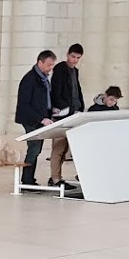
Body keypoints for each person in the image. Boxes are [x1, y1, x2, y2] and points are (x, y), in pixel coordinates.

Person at [16, 50, 57, 186]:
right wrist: (40, 118)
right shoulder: (30, 79)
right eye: (48, 65)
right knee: (33, 148)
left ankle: (30, 179)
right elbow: (25, 104)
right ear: (40, 62)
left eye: (52, 65)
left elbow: (45, 100)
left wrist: (52, 111)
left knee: (36, 149)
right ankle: (26, 180)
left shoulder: (43, 79)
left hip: (41, 119)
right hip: (31, 120)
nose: (50, 68)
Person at [48, 43, 85, 188]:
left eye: (78, 58)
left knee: (65, 149)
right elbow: (56, 92)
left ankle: (58, 177)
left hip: (73, 114)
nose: (74, 60)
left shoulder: (74, 71)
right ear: (67, 55)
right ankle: (55, 178)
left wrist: (80, 107)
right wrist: (65, 108)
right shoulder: (60, 70)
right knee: (58, 148)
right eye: (73, 56)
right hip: (62, 114)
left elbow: (77, 91)